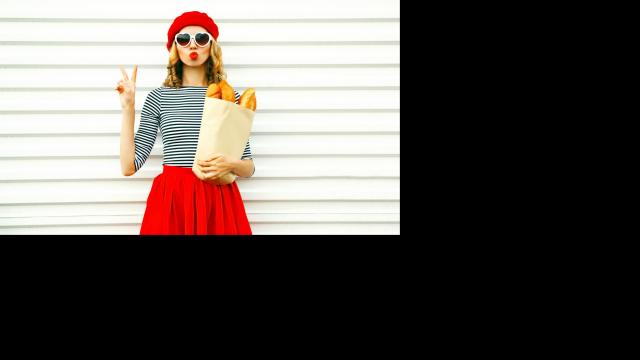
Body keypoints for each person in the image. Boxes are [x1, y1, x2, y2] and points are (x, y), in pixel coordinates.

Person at [116, 11, 254, 235]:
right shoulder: (159, 97)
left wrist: (231, 164)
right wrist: (128, 107)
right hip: (173, 200)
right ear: (174, 47)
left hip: (218, 200)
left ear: (212, 47)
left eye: (201, 39)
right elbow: (128, 166)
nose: (192, 46)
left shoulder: (230, 97)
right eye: (183, 39)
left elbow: (248, 166)